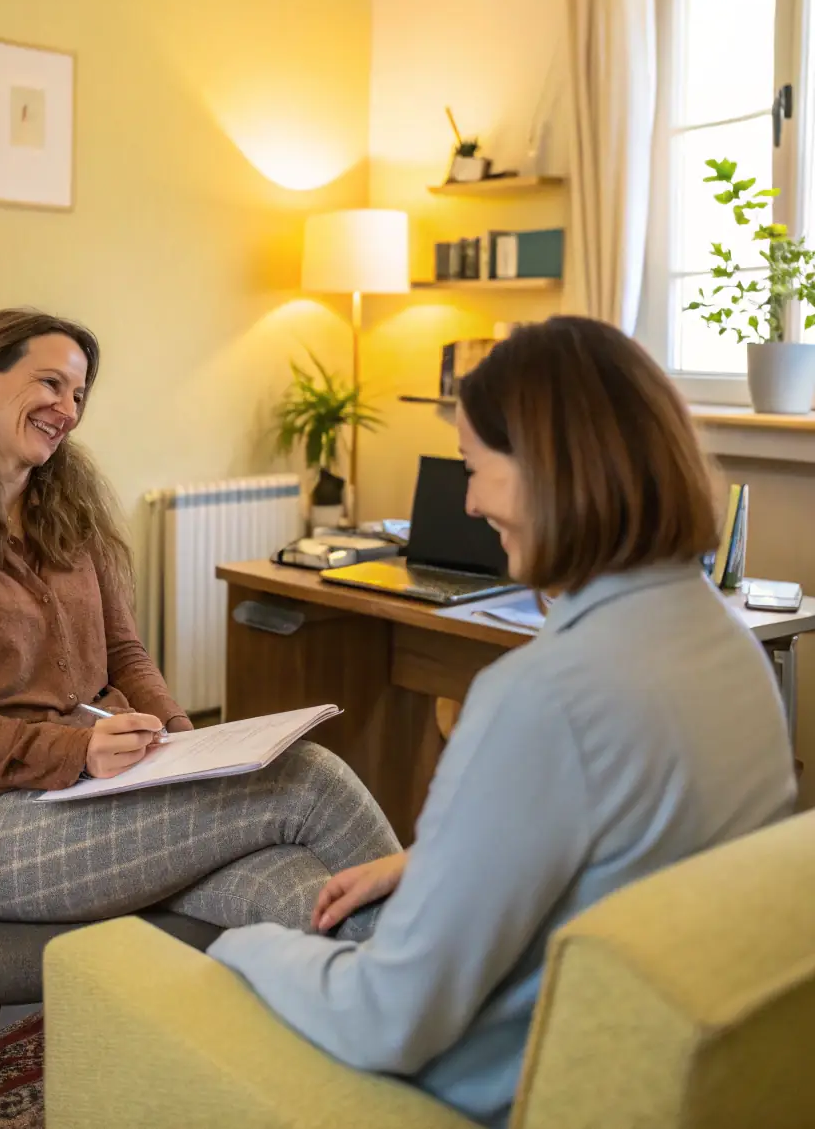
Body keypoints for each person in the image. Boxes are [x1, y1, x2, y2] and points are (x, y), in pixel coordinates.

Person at [209, 316, 797, 1128]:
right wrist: (426, 860)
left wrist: (239, 949)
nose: (473, 500)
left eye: (476, 469)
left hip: (501, 1085)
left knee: (241, 942)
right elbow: (621, 835)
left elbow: (388, 1019)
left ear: (553, 470)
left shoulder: (539, 694)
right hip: (677, 1069)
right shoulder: (730, 649)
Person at [0, 309, 398, 933]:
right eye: (50, 383)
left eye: (78, 393)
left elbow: (126, 656)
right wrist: (79, 751)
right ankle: (450, 964)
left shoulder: (69, 511)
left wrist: (192, 745)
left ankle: (421, 1009)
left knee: (310, 895)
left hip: (107, 794)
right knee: (307, 779)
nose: (68, 408)